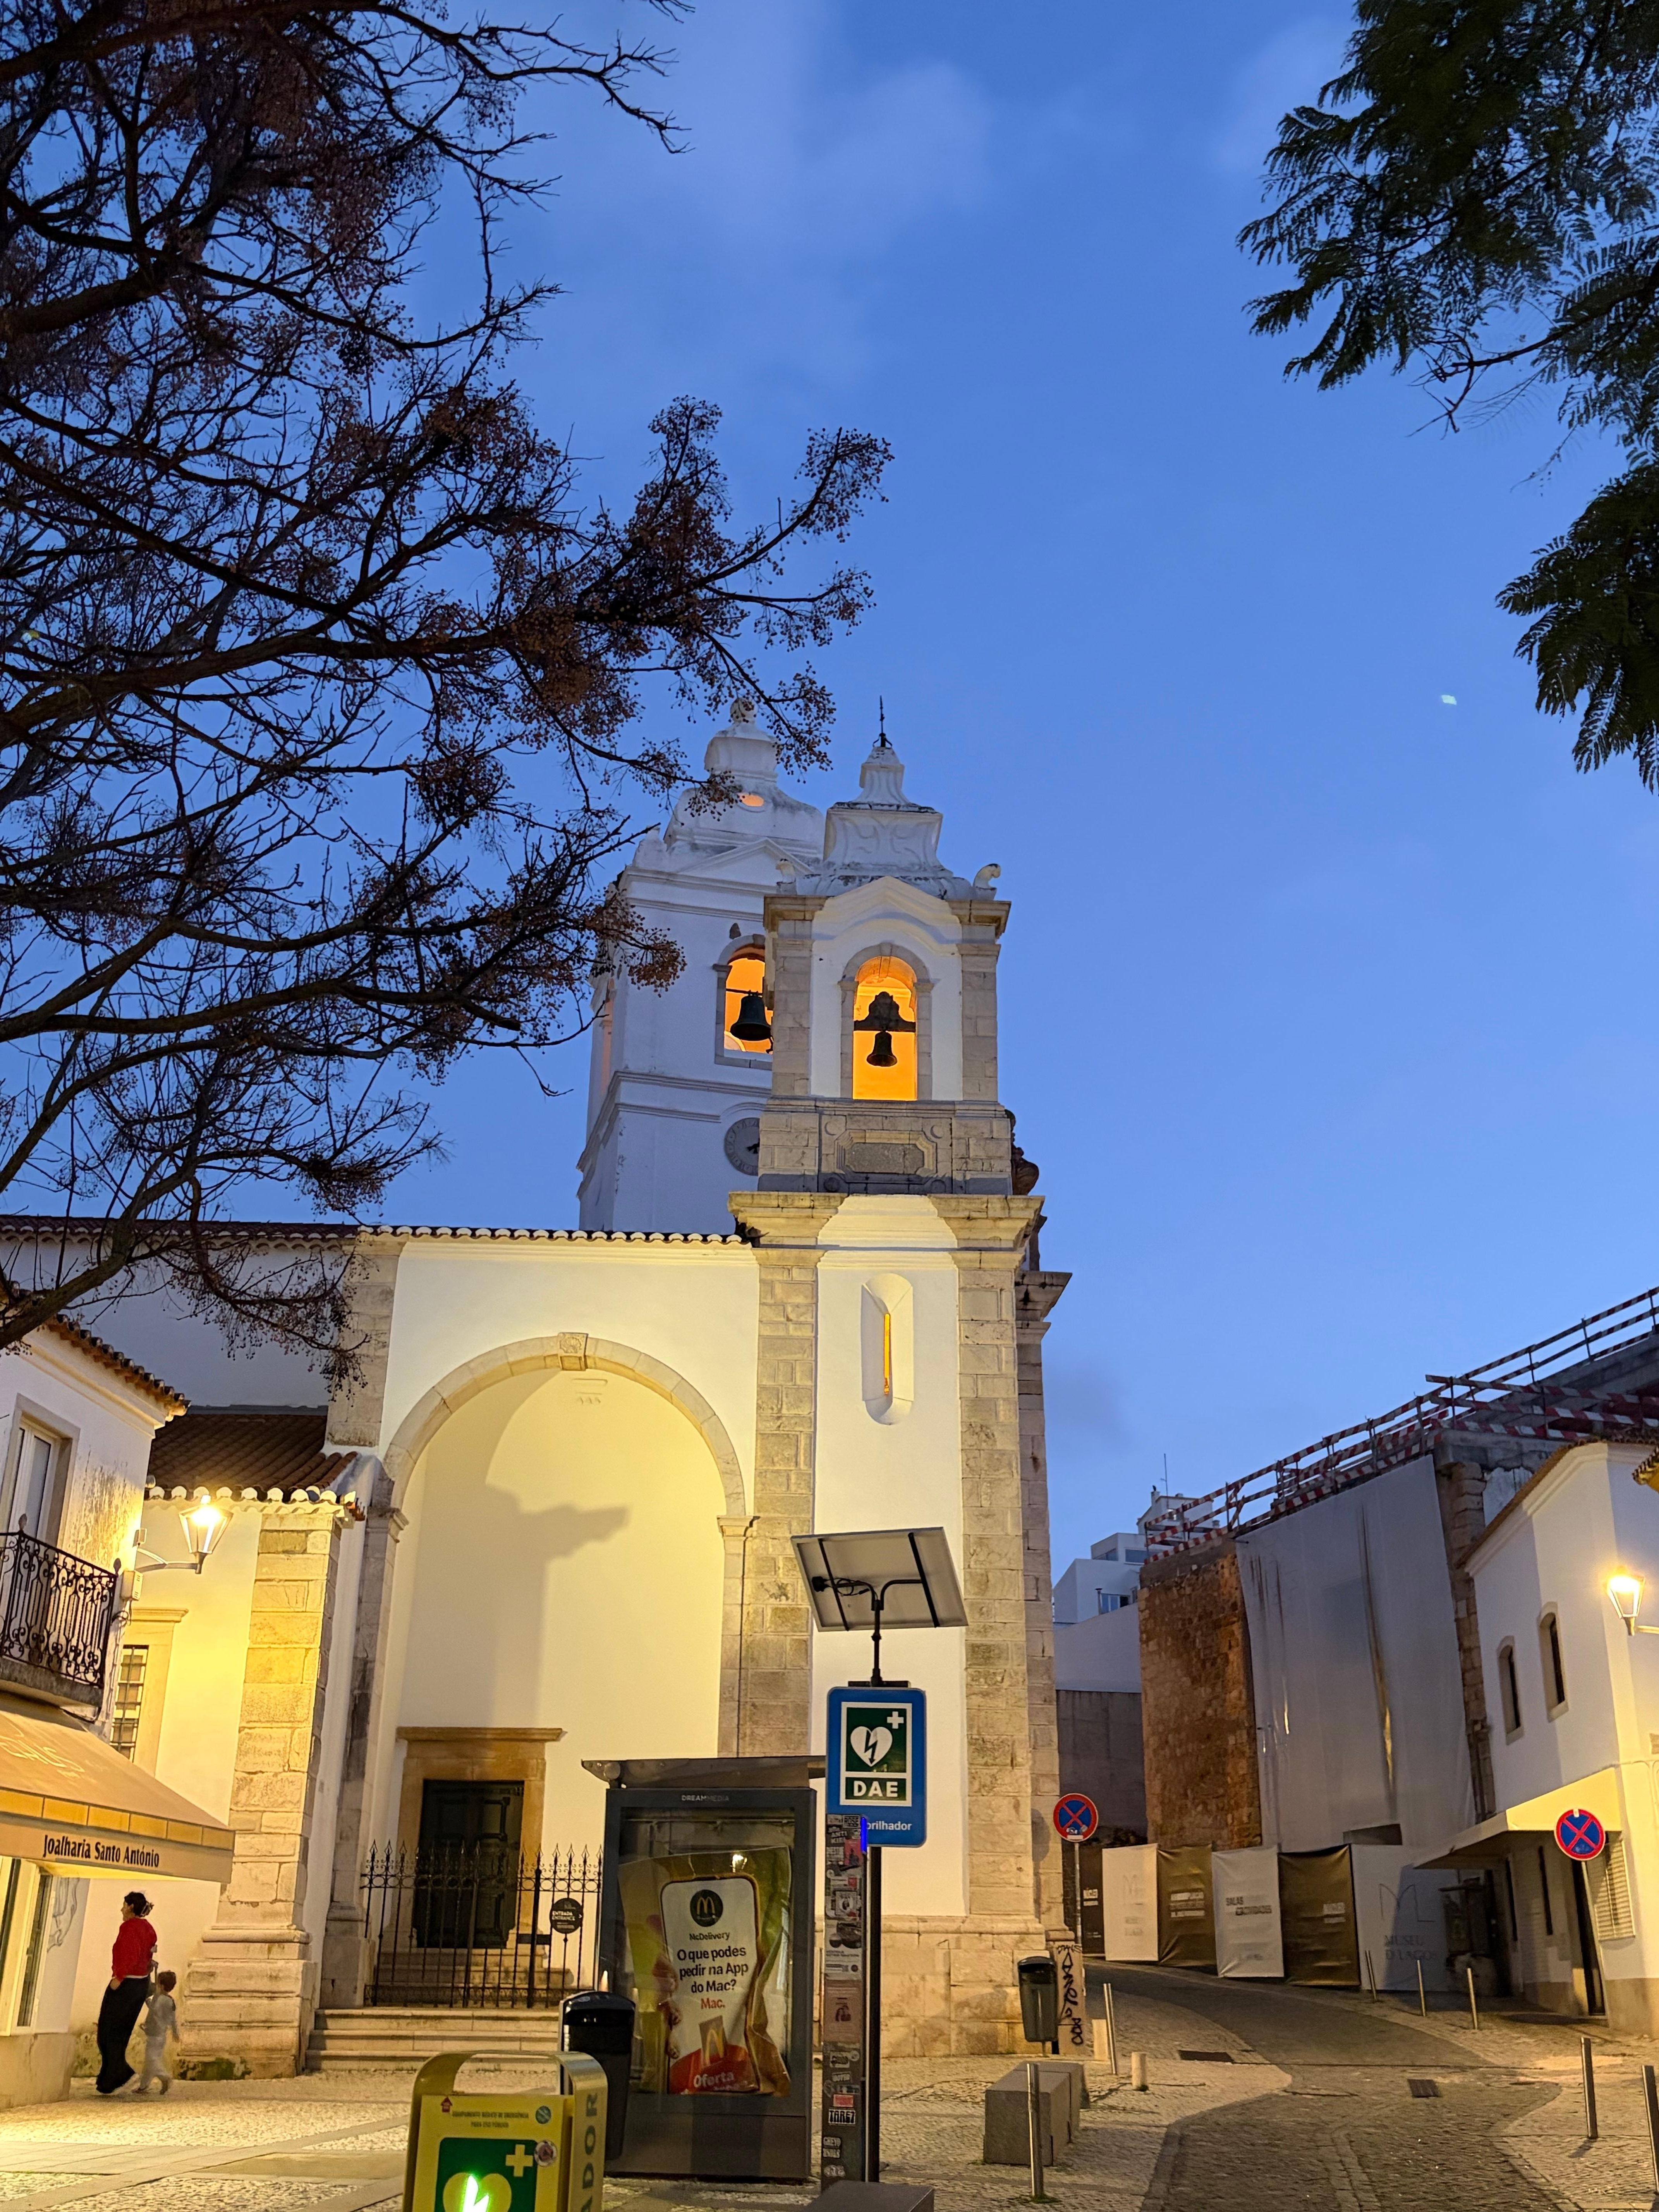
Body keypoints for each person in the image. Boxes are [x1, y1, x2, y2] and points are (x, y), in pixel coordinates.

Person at [94, 1892, 156, 2095]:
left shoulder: (129, 1928)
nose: (122, 1909)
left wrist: (118, 1978)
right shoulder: (148, 1928)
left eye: (124, 1905)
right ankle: (108, 2080)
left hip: (126, 1984)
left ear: (131, 1907)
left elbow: (130, 1953)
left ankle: (122, 2074)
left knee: (108, 2032)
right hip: (140, 1986)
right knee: (121, 2032)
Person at [135, 1971, 178, 2095]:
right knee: (149, 2064)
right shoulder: (169, 2000)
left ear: (162, 1986)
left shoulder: (162, 2000)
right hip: (159, 2035)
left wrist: (148, 2002)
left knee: (152, 2060)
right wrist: (175, 2032)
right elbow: (172, 2019)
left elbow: (155, 2013)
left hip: (155, 2035)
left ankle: (165, 2077)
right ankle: (143, 2087)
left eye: (158, 1984)